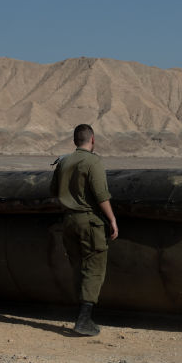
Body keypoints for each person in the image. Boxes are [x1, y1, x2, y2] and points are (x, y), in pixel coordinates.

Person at [50, 124, 118, 336]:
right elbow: (101, 195)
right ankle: (84, 320)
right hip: (89, 222)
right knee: (94, 268)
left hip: (68, 221)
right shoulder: (93, 161)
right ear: (93, 139)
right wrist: (112, 219)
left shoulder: (63, 161)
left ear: (74, 141)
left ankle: (81, 314)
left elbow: (53, 191)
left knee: (78, 266)